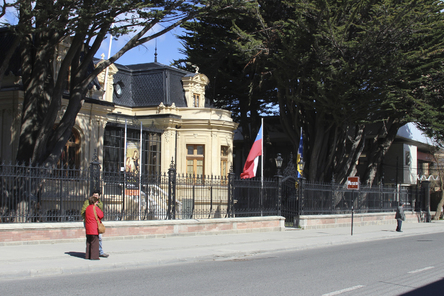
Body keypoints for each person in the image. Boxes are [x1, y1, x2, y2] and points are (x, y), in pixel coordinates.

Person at [81, 190, 109, 258]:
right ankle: (93, 254)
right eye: (94, 195)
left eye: (96, 195)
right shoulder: (88, 203)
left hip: (96, 222)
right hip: (91, 223)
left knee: (97, 238)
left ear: (99, 196)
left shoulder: (100, 203)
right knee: (93, 238)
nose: (95, 197)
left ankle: (99, 252)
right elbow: (83, 212)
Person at [84, 195, 103, 260]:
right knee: (95, 242)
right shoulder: (95, 208)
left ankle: (88, 255)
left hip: (88, 227)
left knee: (88, 242)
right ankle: (94, 256)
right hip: (94, 227)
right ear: (94, 202)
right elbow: (101, 215)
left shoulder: (87, 208)